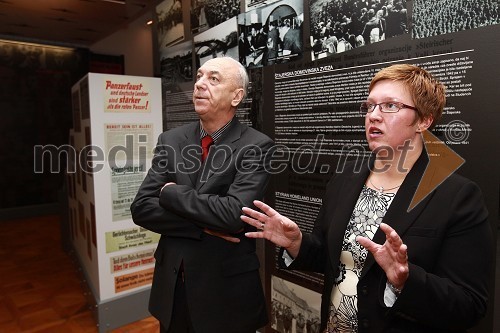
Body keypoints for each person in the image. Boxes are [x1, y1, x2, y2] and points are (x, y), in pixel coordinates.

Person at [241, 64, 493, 332]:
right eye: (370, 106)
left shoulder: (456, 196)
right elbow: (331, 260)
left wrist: (405, 281)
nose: (373, 115)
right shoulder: (346, 179)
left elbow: (469, 305)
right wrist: (297, 243)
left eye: (390, 106)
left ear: (424, 120)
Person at [131, 56, 273, 333]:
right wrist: (204, 228)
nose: (199, 84)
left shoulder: (257, 146)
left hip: (225, 295)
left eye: (213, 79)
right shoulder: (171, 140)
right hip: (173, 289)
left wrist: (171, 194)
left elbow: (233, 215)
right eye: (198, 76)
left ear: (236, 96)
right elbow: (142, 208)